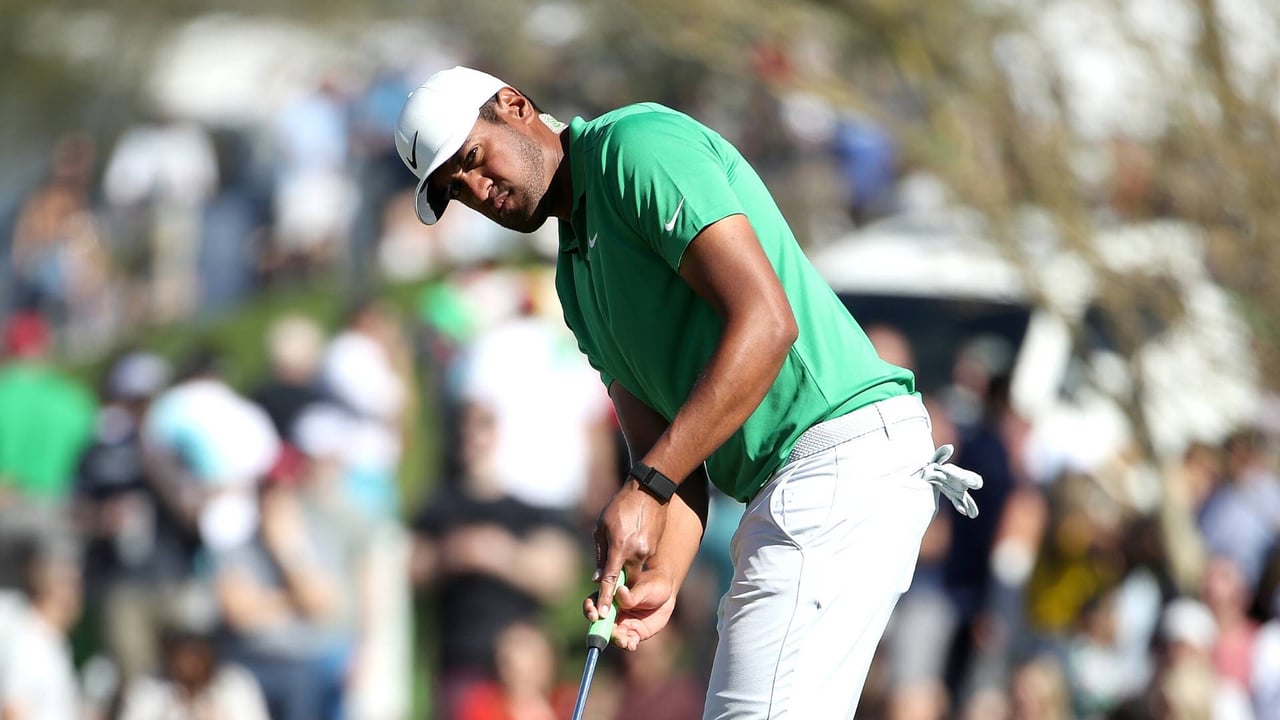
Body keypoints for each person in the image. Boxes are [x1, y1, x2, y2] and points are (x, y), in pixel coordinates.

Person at [394, 66, 984, 718]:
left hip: (835, 455)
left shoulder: (634, 147)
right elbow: (671, 459)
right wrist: (663, 571)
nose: (479, 190)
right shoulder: (573, 278)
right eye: (456, 191)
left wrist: (645, 486)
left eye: (473, 159)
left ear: (515, 104)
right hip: (799, 483)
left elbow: (767, 323)